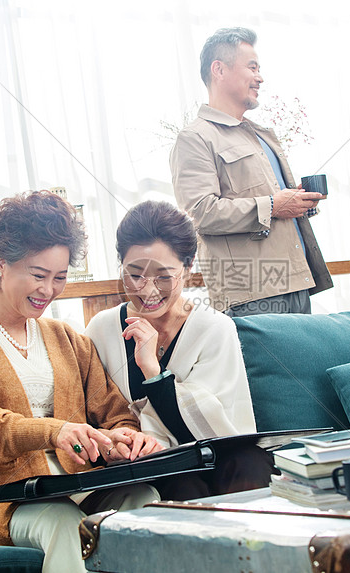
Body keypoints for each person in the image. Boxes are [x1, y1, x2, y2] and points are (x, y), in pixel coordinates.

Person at [0, 190, 162, 573]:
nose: (48, 290)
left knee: (145, 498)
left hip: (76, 487)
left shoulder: (66, 338)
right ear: (1, 262)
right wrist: (53, 431)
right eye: (38, 275)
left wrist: (123, 440)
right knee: (61, 521)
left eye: (60, 277)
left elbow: (116, 415)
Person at [85, 200, 274, 500]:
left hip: (217, 464)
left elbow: (215, 434)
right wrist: (114, 443)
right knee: (180, 485)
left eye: (163, 277)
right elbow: (89, 416)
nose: (147, 290)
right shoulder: (101, 329)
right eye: (135, 275)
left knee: (247, 463)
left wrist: (152, 371)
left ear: (188, 266)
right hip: (138, 471)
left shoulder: (215, 329)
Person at [170, 27, 332, 317]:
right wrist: (273, 206)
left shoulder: (263, 135)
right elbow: (200, 213)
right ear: (218, 69)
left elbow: (278, 208)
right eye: (252, 67)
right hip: (251, 294)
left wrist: (299, 204)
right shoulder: (195, 138)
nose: (260, 77)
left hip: (298, 282)